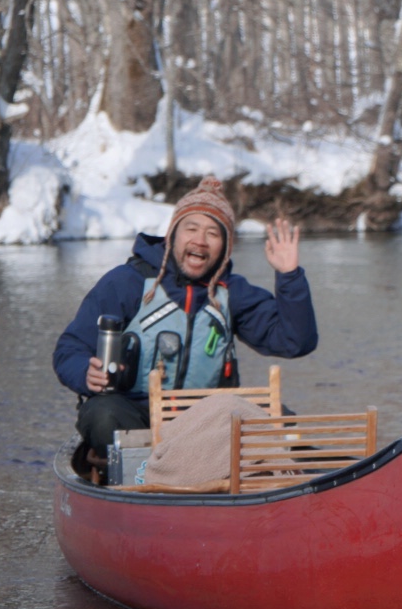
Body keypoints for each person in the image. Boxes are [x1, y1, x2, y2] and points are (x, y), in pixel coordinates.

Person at [54, 177, 318, 477]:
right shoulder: (125, 282)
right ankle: (140, 481)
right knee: (102, 415)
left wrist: (290, 276)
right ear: (172, 235)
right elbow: (70, 349)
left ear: (225, 247)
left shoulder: (233, 292)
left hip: (206, 420)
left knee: (281, 419)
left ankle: (283, 485)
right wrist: (86, 374)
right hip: (136, 413)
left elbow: (295, 341)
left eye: (213, 233)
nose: (200, 240)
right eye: (191, 228)